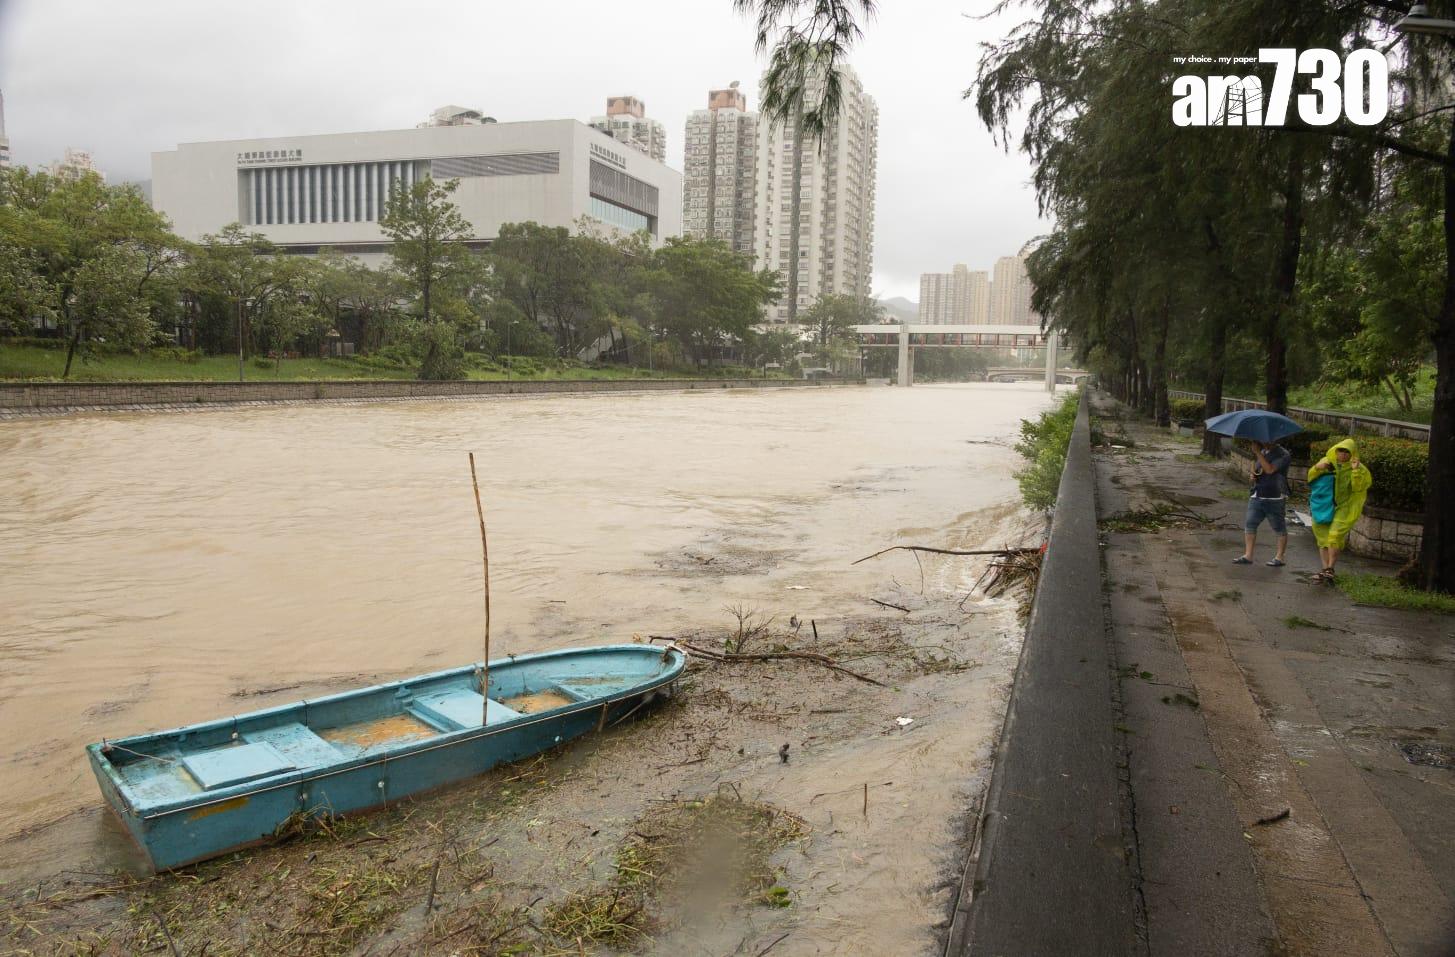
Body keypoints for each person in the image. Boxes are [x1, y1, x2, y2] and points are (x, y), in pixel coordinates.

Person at [1308, 438, 1372, 582]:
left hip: (1345, 507)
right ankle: (1325, 570)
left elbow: (1358, 488)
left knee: (1334, 536)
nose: (1343, 454)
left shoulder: (1360, 468)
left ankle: (1330, 568)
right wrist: (1317, 467)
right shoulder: (1327, 462)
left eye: (1346, 451)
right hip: (1325, 505)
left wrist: (1355, 471)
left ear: (1352, 453)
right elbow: (1311, 478)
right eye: (1340, 451)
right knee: (1323, 539)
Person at [1233, 438, 1292, 567]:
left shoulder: (1283, 454)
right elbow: (1260, 470)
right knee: (1250, 524)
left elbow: (1270, 470)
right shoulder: (1263, 452)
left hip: (1274, 496)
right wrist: (1253, 476)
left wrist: (1258, 453)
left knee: (1279, 528)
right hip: (1257, 494)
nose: (1262, 441)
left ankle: (1279, 557)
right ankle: (1248, 555)